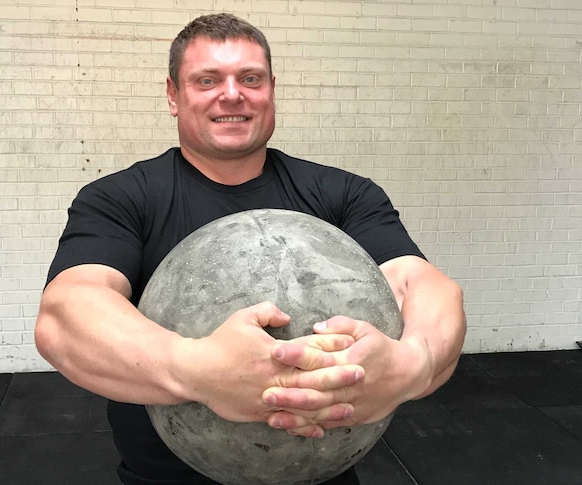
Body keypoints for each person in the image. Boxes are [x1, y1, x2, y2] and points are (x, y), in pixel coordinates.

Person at [35, 13, 466, 485]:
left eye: (250, 79)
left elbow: (423, 285)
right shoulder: (122, 198)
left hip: (321, 474)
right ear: (173, 96)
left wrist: (411, 366)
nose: (233, 94)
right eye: (207, 80)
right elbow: (66, 315)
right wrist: (200, 371)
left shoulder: (344, 195)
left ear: (271, 90)